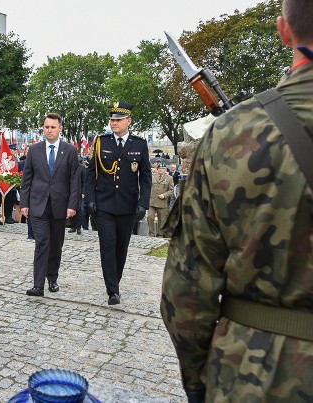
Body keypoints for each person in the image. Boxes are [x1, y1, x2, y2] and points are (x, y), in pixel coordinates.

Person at [161, 1, 313, 400]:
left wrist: (197, 383)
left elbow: (188, 289)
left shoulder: (235, 133)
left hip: (259, 375)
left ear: (284, 31)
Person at [85, 102, 151, 305]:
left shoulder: (139, 144)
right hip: (104, 204)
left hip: (128, 205)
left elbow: (146, 177)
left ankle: (115, 281)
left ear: (128, 121)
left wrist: (143, 203)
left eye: (118, 120)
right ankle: (112, 290)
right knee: (108, 245)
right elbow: (90, 175)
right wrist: (90, 199)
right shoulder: (101, 142)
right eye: (112, 120)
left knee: (121, 247)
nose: (114, 123)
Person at [20, 113, 80, 297]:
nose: (49, 130)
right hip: (38, 205)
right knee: (42, 242)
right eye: (46, 127)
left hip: (59, 205)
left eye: (53, 127)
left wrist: (72, 205)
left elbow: (74, 180)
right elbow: (27, 179)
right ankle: (38, 285)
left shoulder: (69, 150)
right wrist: (24, 203)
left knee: (55, 244)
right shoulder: (35, 150)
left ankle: (52, 277)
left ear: (60, 129)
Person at [147, 163, 174, 237]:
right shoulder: (152, 177)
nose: (160, 169)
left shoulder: (169, 178)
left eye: (162, 168)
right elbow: (147, 187)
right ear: (157, 169)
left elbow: (171, 190)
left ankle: (160, 235)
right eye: (159, 168)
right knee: (150, 217)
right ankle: (151, 234)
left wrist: (164, 195)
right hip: (152, 201)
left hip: (162, 203)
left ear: (165, 169)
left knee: (162, 220)